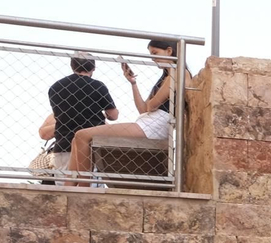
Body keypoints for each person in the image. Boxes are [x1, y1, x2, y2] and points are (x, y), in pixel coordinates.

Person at [68, 39, 178, 174]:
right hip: (146, 122)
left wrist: (152, 102)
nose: (153, 58)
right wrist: (133, 83)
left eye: (155, 53)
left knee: (82, 135)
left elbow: (151, 106)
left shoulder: (176, 73)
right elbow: (143, 109)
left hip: (155, 125)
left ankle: (84, 187)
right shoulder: (166, 77)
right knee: (76, 139)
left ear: (169, 51)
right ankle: (69, 186)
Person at [46, 54, 118, 175]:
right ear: (93, 68)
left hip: (63, 144)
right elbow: (113, 115)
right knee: (91, 188)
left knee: (65, 189)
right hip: (92, 146)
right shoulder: (97, 86)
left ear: (72, 66)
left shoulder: (55, 87)